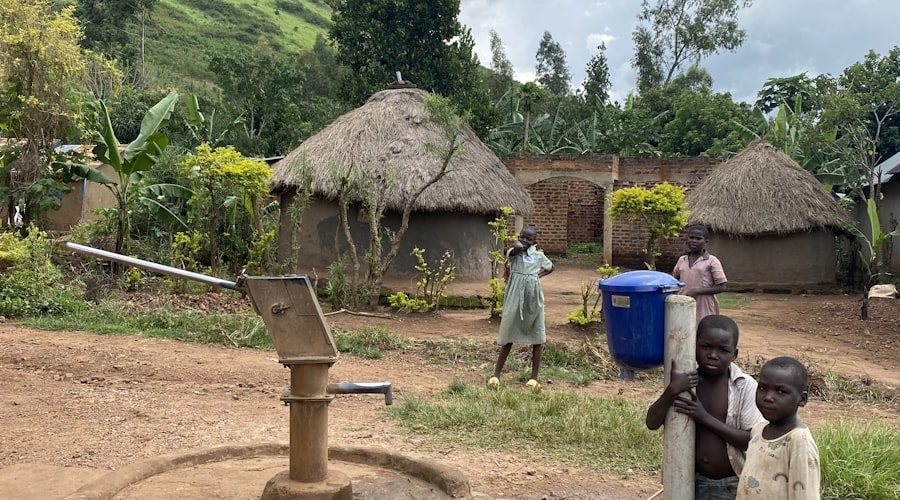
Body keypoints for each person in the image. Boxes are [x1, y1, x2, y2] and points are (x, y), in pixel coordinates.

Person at [646, 314, 765, 500]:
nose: (712, 355)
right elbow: (652, 422)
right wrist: (671, 391)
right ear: (694, 346)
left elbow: (749, 441)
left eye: (723, 350)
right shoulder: (683, 381)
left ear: (734, 354)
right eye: (705, 347)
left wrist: (703, 417)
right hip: (688, 482)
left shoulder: (745, 386)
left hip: (731, 484)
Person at [736, 357, 820, 499]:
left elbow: (806, 494)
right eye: (762, 388)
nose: (768, 397)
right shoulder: (758, 430)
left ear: (802, 399)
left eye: (781, 391)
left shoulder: (798, 441)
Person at [488, 225, 553, 389]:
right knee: (509, 331)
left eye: (528, 239)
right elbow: (514, 250)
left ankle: (534, 378)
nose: (524, 241)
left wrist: (536, 276)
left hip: (533, 298)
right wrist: (518, 244)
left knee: (537, 336)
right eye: (522, 237)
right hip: (515, 296)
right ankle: (496, 374)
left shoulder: (538, 256)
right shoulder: (514, 254)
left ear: (534, 242)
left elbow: (551, 267)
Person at [672, 224, 727, 324]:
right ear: (687, 239)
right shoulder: (682, 260)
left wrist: (696, 291)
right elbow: (674, 280)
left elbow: (722, 287)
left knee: (702, 331)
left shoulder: (712, 261)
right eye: (691, 238)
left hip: (704, 305)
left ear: (705, 241)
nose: (694, 241)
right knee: (684, 330)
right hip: (683, 303)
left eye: (698, 238)